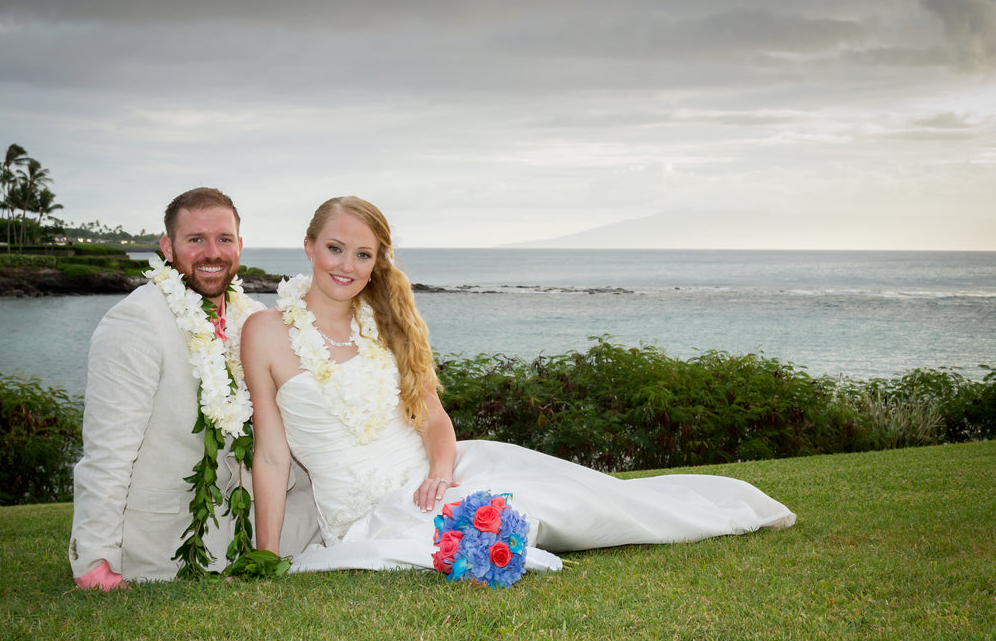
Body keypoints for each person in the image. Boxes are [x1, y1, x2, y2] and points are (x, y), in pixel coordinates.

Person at [242, 196, 795, 575]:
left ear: (376, 263)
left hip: (436, 477)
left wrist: (440, 473)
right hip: (358, 512)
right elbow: (270, 455)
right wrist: (265, 556)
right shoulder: (265, 332)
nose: (348, 265)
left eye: (364, 254)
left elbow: (432, 418)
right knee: (499, 531)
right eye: (335, 248)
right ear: (310, 245)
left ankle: (716, 512)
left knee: (579, 503)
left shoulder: (386, 324)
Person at [69, 187, 319, 590]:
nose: (212, 253)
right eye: (195, 239)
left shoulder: (252, 317)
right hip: (168, 538)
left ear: (240, 244)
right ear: (168, 247)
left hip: (247, 522)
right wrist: (95, 561)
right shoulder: (134, 323)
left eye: (223, 239)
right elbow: (107, 452)